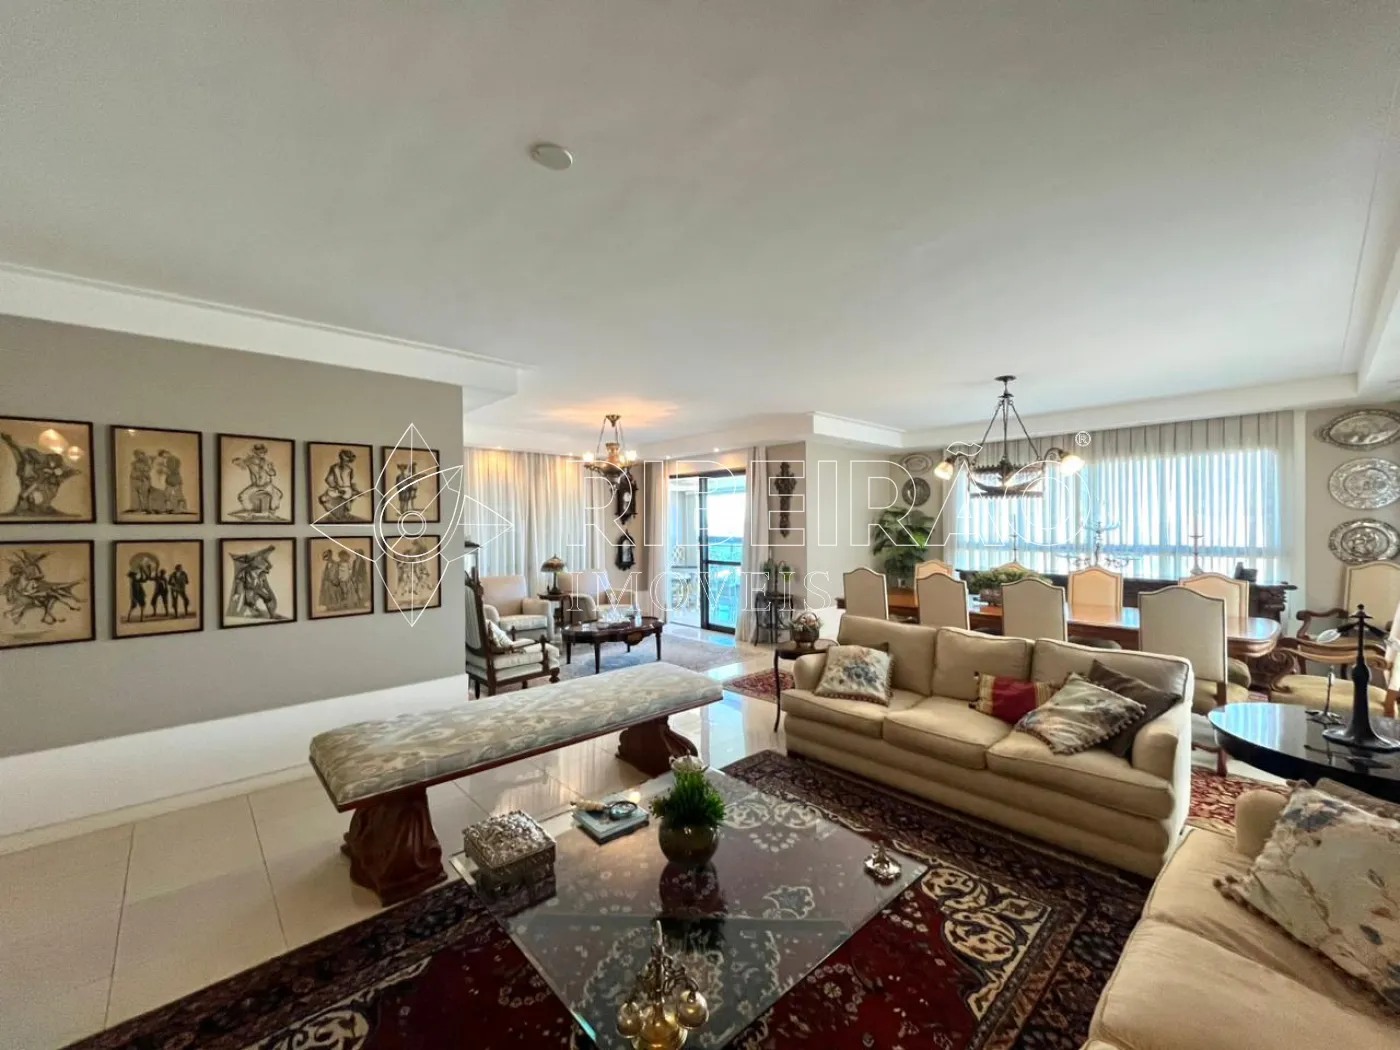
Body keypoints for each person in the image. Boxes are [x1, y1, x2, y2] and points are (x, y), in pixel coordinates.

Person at [233, 444, 282, 518]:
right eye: (259, 452)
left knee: (277, 495)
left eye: (263, 452)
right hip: (255, 486)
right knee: (242, 496)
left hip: (267, 485)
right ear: (255, 453)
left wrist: (266, 468)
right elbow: (236, 461)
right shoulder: (250, 461)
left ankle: (272, 512)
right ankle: (250, 512)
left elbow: (273, 473)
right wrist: (244, 462)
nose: (261, 454)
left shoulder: (268, 462)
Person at [318, 449, 363, 522]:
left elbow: (350, 480)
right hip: (336, 489)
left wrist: (354, 489)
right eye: (343, 459)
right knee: (323, 499)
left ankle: (345, 510)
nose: (344, 462)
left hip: (347, 490)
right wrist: (336, 487)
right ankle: (339, 513)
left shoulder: (349, 469)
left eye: (346, 461)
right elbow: (328, 479)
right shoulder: (334, 467)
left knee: (348, 496)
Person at [128, 450, 152, 514]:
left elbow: (147, 471)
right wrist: (137, 475)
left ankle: (145, 508)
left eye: (141, 455)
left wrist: (144, 475)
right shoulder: (134, 463)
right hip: (136, 480)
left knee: (145, 494)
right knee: (135, 495)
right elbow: (132, 474)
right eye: (137, 455)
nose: (139, 456)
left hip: (144, 480)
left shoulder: (147, 463)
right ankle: (137, 508)